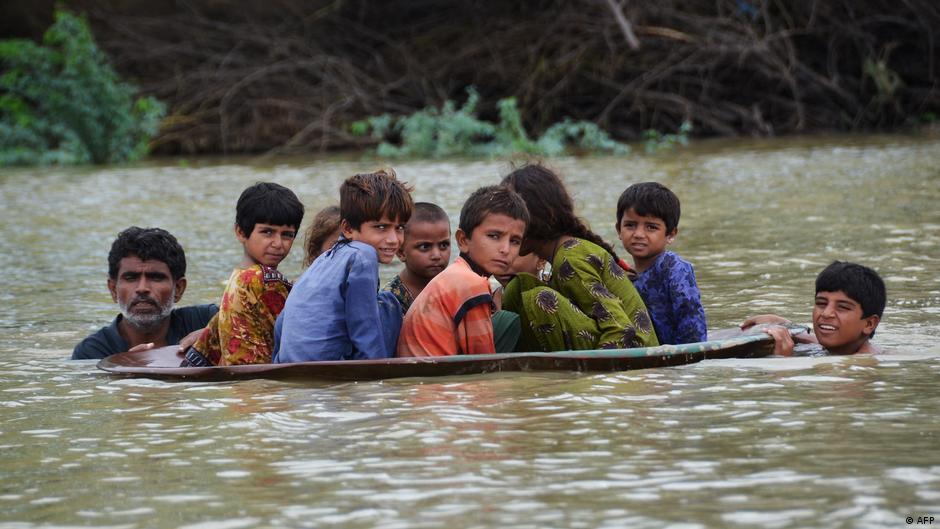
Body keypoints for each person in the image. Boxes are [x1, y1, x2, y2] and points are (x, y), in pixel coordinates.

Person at [500, 164, 659, 351]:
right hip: (610, 341)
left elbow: (620, 331)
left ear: (535, 218)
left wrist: (591, 380)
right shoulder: (560, 256)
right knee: (517, 288)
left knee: (540, 298)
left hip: (633, 351)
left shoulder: (570, 258)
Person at [275, 169, 413, 362]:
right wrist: (379, 382)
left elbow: (282, 323)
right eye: (381, 227)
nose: (393, 239)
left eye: (399, 228)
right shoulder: (363, 255)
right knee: (388, 303)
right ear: (348, 229)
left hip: (290, 365)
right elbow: (365, 329)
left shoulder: (321, 262)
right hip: (330, 367)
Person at [397, 185, 528, 357]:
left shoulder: (455, 274)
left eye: (515, 241)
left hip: (420, 376)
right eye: (494, 236)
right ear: (463, 240)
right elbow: (484, 363)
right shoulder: (471, 283)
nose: (505, 249)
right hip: (433, 381)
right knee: (510, 322)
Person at [182, 182, 304, 366]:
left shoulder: (238, 278)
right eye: (267, 232)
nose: (278, 243)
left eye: (287, 235)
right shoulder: (259, 279)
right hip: (261, 386)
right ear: (240, 232)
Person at [71, 227, 218, 360]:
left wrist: (220, 339)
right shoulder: (91, 353)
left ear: (178, 289)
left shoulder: (209, 321)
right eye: (131, 278)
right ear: (113, 289)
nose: (142, 288)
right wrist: (124, 372)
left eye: (156, 277)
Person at [616, 182, 707, 344]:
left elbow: (692, 323)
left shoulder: (674, 268)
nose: (638, 234)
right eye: (630, 225)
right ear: (618, 230)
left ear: (670, 234)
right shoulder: (623, 276)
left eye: (651, 227)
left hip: (678, 355)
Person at [741, 261, 886, 356]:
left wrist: (782, 363)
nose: (826, 313)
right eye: (821, 303)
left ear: (869, 324)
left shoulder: (863, 366)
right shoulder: (840, 346)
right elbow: (813, 339)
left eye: (842, 307)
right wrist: (783, 324)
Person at [383, 202, 452, 315]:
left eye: (443, 245)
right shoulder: (391, 301)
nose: (436, 255)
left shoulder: (455, 287)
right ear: (401, 252)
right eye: (425, 247)